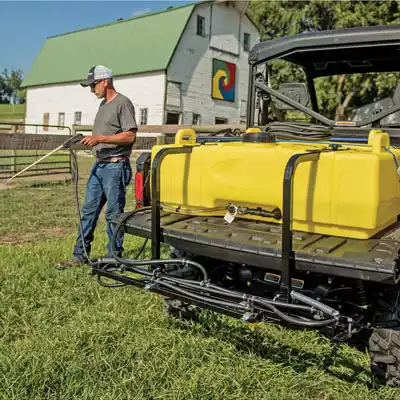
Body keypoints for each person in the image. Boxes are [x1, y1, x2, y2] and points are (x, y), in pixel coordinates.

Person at [58, 65, 137, 268]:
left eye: (93, 85)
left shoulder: (123, 103)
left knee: (113, 214)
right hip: (99, 165)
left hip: (115, 166)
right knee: (88, 211)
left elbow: (130, 136)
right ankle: (80, 255)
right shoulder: (103, 106)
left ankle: (114, 258)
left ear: (105, 81)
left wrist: (100, 138)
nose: (92, 90)